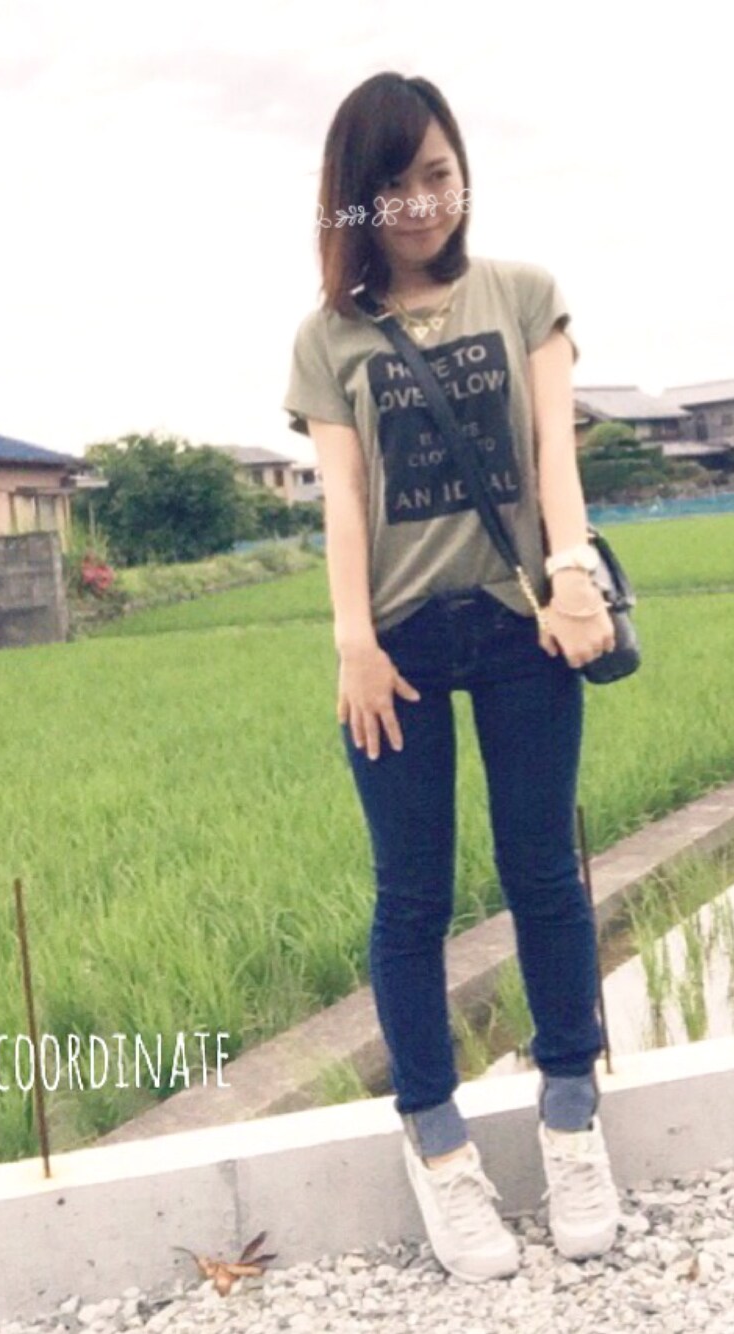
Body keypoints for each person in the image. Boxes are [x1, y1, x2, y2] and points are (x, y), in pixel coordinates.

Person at [282, 72, 623, 1284]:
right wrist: (352, 642)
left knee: (544, 874)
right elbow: (344, 501)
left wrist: (572, 571)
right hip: (399, 643)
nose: (422, 200)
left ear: (461, 170)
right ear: (354, 202)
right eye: (393, 184)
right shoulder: (327, 339)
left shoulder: (521, 293)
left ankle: (571, 1116)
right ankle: (436, 1141)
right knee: (411, 897)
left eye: (437, 172)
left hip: (520, 623)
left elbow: (550, 454)